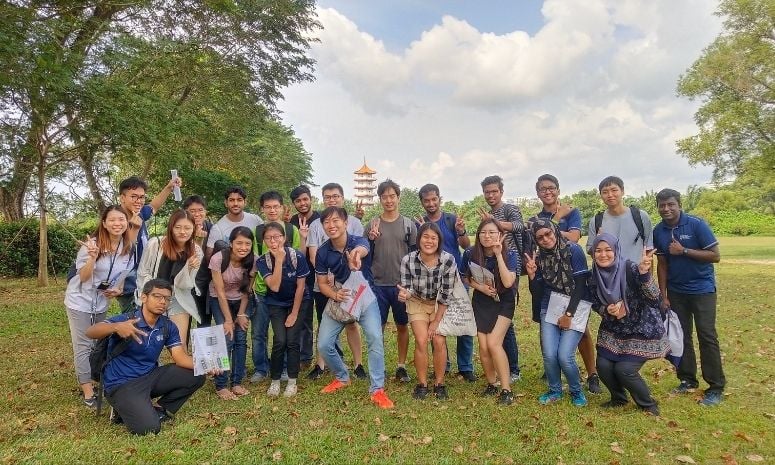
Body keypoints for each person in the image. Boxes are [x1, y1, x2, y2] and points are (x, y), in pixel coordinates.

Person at [85, 279, 212, 435]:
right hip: (122, 383)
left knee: (196, 374)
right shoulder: (127, 319)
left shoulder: (167, 325)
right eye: (157, 296)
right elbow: (91, 331)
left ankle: (160, 409)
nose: (162, 302)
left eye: (167, 298)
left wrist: (206, 365)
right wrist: (116, 327)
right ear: (143, 297)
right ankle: (125, 409)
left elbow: (180, 357)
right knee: (149, 429)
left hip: (150, 376)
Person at [315, 207, 394, 409]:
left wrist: (356, 258)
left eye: (336, 221)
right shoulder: (323, 251)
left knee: (375, 338)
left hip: (366, 296)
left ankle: (377, 389)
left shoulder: (358, 241)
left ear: (346, 223)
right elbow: (322, 283)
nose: (331, 225)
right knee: (324, 344)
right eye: (326, 222)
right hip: (342, 297)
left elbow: (362, 250)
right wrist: (334, 294)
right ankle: (342, 377)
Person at [653, 188, 725, 406]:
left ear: (679, 204)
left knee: (707, 336)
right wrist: (663, 295)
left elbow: (715, 256)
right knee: (681, 336)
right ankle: (687, 380)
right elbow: (662, 264)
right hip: (676, 292)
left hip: (702, 290)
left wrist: (684, 251)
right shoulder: (659, 231)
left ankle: (715, 386)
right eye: (662, 205)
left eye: (670, 204)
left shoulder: (696, 224)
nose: (666, 209)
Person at [530, 174, 600, 394]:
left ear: (558, 190)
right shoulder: (536, 218)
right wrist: (554, 222)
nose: (547, 192)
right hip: (551, 289)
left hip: (573, 286)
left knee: (582, 331)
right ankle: (554, 372)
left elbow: (574, 237)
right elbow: (535, 237)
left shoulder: (572, 211)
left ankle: (592, 373)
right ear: (538, 193)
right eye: (543, 189)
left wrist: (553, 223)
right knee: (548, 328)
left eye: (551, 188)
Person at [589, 233, 667, 416]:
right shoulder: (594, 275)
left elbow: (655, 298)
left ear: (616, 250)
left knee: (624, 369)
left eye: (608, 250)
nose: (603, 255)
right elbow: (593, 302)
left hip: (642, 327)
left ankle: (647, 404)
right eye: (598, 251)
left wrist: (644, 273)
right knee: (603, 366)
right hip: (614, 330)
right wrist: (606, 310)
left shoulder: (630, 268)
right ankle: (618, 398)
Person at [64, 205, 134, 407]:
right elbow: (84, 278)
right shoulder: (91, 245)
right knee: (84, 344)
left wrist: (118, 289)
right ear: (104, 223)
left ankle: (94, 377)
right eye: (112, 220)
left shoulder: (127, 247)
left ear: (126, 223)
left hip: (101, 301)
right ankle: (87, 391)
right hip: (80, 300)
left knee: (97, 342)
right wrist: (92, 258)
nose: (117, 224)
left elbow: (121, 276)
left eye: (121, 219)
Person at [524, 219, 589, 407]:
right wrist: (532, 276)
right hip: (549, 305)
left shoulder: (573, 250)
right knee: (550, 354)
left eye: (548, 234)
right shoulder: (539, 257)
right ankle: (555, 390)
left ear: (555, 231)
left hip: (576, 305)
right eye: (540, 237)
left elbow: (581, 286)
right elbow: (536, 292)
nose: (545, 239)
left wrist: (568, 315)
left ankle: (576, 391)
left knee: (564, 355)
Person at [416, 184, 476, 382]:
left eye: (434, 199)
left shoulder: (451, 219)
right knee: (436, 323)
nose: (431, 203)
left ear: (439, 199)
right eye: (427, 200)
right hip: (432, 280)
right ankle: (444, 363)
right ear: (422, 202)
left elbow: (466, 246)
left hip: (457, 278)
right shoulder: (421, 223)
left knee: (462, 320)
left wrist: (461, 231)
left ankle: (466, 366)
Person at [306, 183, 365, 380]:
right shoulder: (316, 224)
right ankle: (320, 365)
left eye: (335, 196)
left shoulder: (355, 222)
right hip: (322, 283)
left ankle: (358, 365)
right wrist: (326, 274)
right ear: (323, 200)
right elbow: (314, 254)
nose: (332, 199)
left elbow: (359, 251)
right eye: (328, 197)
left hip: (349, 284)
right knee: (324, 322)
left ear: (342, 197)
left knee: (351, 323)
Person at [250, 190, 307, 383]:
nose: (272, 210)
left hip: (287, 291)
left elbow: (299, 256)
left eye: (276, 206)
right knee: (259, 332)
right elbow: (254, 258)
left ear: (283, 208)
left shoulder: (291, 230)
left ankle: (283, 368)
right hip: (262, 289)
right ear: (262, 209)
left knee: (282, 335)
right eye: (268, 207)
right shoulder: (257, 232)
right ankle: (260, 368)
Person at [461, 218, 520, 405]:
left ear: (500, 235)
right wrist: (480, 287)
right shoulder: (471, 253)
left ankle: (506, 389)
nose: (487, 236)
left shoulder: (510, 254)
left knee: (494, 344)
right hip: (482, 301)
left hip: (504, 302)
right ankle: (491, 383)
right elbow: (465, 277)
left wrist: (499, 254)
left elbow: (509, 282)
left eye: (492, 232)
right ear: (478, 235)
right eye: (483, 232)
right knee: (484, 347)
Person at [398, 223, 457, 400]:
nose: (429, 241)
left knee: (438, 341)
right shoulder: (408, 260)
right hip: (417, 302)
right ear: (419, 239)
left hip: (440, 303)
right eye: (425, 237)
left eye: (433, 238)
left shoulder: (448, 260)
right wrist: (404, 294)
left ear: (439, 241)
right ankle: (422, 383)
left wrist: (436, 321)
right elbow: (407, 287)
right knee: (422, 340)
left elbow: (446, 294)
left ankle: (439, 383)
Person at [367, 179, 417, 383]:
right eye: (384, 197)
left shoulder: (408, 224)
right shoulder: (372, 224)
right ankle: (377, 367)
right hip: (377, 285)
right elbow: (363, 254)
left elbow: (416, 255)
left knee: (402, 326)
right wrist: (370, 239)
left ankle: (401, 366)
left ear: (398, 197)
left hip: (401, 285)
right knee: (376, 328)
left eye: (392, 196)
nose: (388, 200)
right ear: (380, 199)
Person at [256, 222, 310, 397]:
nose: (273, 242)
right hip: (276, 303)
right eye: (268, 238)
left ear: (284, 238)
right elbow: (275, 287)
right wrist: (278, 261)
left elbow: (301, 287)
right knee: (280, 340)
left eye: (277, 237)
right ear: (264, 241)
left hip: (298, 301)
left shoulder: (297, 257)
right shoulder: (262, 261)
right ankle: (275, 380)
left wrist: (294, 314)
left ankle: (292, 381)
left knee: (292, 340)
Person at [136, 209, 203, 351]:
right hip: (153, 296)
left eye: (187, 228)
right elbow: (143, 272)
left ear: (193, 229)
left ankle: (182, 372)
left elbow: (185, 285)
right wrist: (153, 295)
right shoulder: (155, 243)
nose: (182, 232)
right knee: (147, 343)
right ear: (171, 227)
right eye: (178, 227)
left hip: (177, 298)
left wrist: (189, 268)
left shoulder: (196, 251)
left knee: (179, 344)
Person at [116, 175, 182, 312]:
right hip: (128, 284)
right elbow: (120, 255)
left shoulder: (139, 214)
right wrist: (133, 229)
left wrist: (169, 187)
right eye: (133, 196)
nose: (138, 201)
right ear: (122, 198)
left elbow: (154, 206)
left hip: (144, 277)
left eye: (141, 197)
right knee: (135, 322)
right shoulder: (116, 222)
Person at [479, 175, 522, 382]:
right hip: (490, 269)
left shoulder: (510, 209)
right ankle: (498, 366)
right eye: (487, 192)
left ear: (501, 192)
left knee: (507, 321)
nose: (491, 195)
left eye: (494, 191)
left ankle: (513, 369)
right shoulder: (488, 216)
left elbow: (520, 226)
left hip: (509, 266)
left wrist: (493, 222)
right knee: (493, 318)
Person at [208, 226, 255, 400]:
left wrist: (241, 315)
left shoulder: (253, 261)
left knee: (241, 338)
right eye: (239, 243)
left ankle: (236, 382)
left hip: (241, 301)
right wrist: (228, 319)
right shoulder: (218, 259)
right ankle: (221, 385)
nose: (243, 247)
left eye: (247, 244)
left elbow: (247, 291)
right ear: (231, 243)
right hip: (219, 300)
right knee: (226, 338)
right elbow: (220, 291)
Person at [586, 176, 653, 264]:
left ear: (622, 191)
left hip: (636, 273)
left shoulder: (641, 216)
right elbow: (591, 251)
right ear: (601, 196)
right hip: (608, 276)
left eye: (614, 190)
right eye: (605, 192)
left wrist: (647, 276)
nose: (610, 195)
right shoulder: (596, 221)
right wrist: (598, 242)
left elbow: (649, 250)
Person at [289, 185, 321, 370]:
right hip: (302, 278)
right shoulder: (292, 222)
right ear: (294, 204)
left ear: (311, 199)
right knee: (305, 319)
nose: (302, 203)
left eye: (305, 199)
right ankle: (305, 357)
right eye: (298, 201)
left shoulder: (322, 218)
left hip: (323, 275)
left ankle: (330, 355)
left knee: (327, 317)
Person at [183, 195, 215, 326]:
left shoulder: (213, 229)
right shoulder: (181, 229)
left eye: (200, 210)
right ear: (185, 212)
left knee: (204, 323)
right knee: (182, 323)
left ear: (205, 211)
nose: (197, 214)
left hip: (204, 283)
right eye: (192, 210)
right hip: (184, 282)